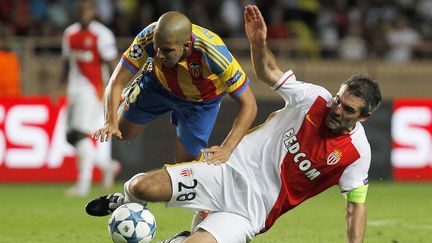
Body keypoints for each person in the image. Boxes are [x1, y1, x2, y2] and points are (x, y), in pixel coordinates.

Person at [85, 4, 382, 243]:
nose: (337, 109)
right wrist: (259, 43)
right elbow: (268, 72)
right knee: (140, 186)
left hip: (252, 211)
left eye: (348, 110)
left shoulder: (357, 153)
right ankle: (124, 199)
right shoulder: (314, 98)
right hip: (226, 172)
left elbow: (356, 205)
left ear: (364, 117)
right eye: (338, 101)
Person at [91, 9, 257, 226]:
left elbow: (250, 104)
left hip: (200, 103)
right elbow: (115, 82)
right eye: (157, 49)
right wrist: (109, 122)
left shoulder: (214, 52)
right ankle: (138, 88)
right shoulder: (149, 36)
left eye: (167, 50)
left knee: (186, 167)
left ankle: (128, 199)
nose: (159, 54)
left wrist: (227, 148)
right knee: (122, 132)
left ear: (187, 46)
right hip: (157, 86)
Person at [61, 1, 120, 197]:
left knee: (79, 134)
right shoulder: (69, 33)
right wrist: (58, 86)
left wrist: (115, 91)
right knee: (70, 137)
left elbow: (113, 64)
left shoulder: (102, 34)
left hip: (93, 89)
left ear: (93, 11)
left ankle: (83, 185)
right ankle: (107, 166)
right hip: (74, 89)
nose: (83, 12)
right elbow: (67, 63)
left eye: (87, 8)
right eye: (80, 8)